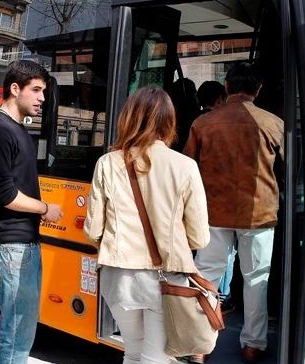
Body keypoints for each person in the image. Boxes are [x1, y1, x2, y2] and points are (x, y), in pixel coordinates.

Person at [84, 86, 210, 364]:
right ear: (169, 121)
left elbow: (93, 231)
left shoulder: (107, 163)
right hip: (167, 279)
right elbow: (200, 238)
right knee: (155, 359)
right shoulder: (185, 166)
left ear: (128, 118)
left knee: (132, 351)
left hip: (119, 279)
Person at [183, 62, 284, 364]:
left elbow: (188, 168)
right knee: (256, 279)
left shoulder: (203, 123)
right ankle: (253, 344)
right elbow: (288, 170)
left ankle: (200, 345)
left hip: (213, 212)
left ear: (226, 87)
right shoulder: (274, 124)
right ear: (258, 89)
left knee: (207, 276)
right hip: (260, 213)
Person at [0, 60, 63, 364]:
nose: (42, 98)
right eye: (37, 90)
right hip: (11, 248)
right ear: (15, 89)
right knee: (17, 338)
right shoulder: (1, 132)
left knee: (21, 333)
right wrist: (44, 208)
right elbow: (4, 195)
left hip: (21, 245)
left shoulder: (13, 129)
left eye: (44, 91)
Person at [194, 80, 235, 314]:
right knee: (228, 256)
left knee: (207, 260)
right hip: (229, 202)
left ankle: (203, 311)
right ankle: (223, 294)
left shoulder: (196, 122)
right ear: (220, 99)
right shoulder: (220, 123)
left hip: (205, 200)